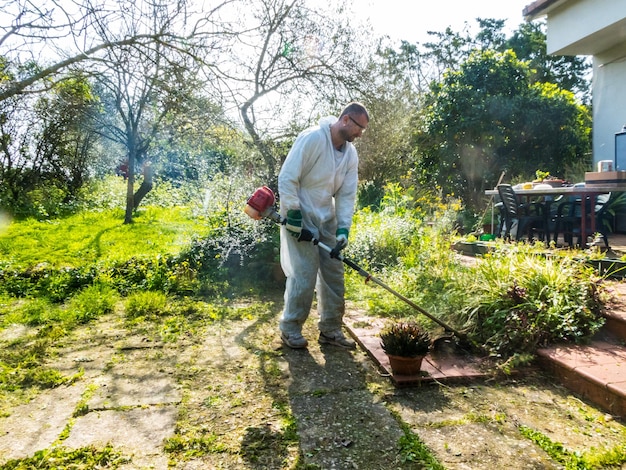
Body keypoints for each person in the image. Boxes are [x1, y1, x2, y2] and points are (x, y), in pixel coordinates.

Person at [277, 102, 369, 349]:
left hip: (327, 218)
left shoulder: (350, 154)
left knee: (333, 274)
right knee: (304, 274)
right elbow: (287, 177)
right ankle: (290, 328)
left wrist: (343, 228)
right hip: (301, 214)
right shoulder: (312, 138)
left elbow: (347, 194)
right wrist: (293, 214)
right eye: (359, 127)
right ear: (346, 120)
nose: (360, 134)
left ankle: (330, 331)